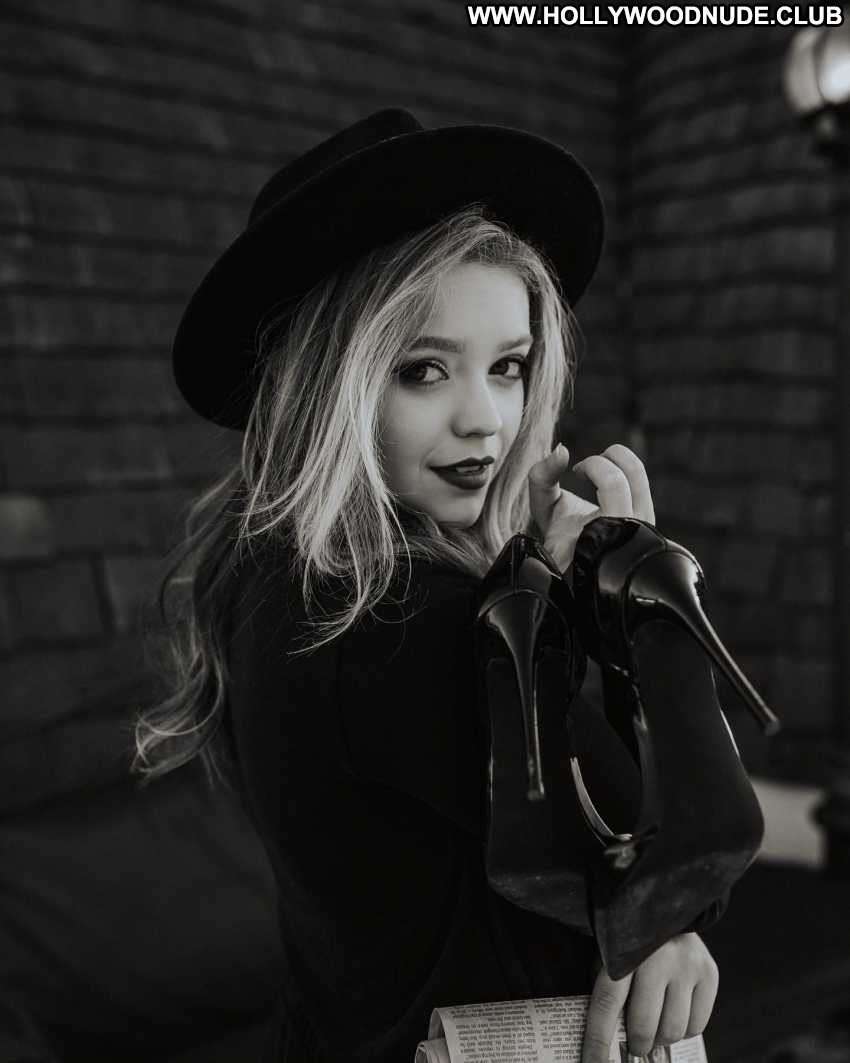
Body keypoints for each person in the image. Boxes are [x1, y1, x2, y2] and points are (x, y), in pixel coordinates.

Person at [135, 109, 719, 1063]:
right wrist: (641, 604)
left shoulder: (273, 579)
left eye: (509, 366)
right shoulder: (400, 618)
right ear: (328, 385)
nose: (485, 419)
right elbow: (683, 848)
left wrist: (551, 611)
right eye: (423, 370)